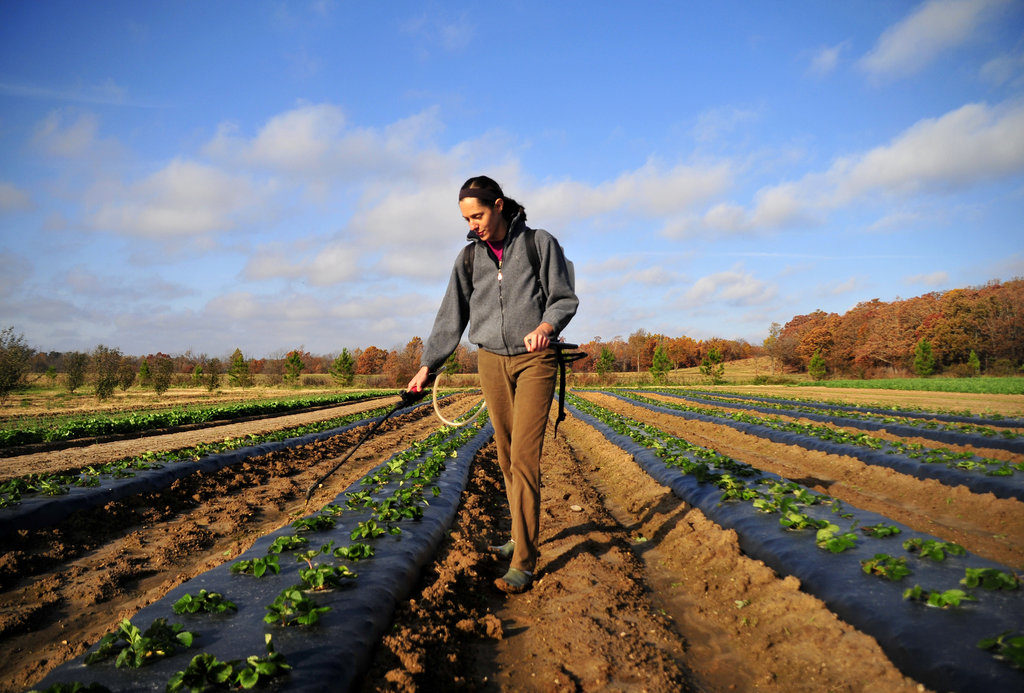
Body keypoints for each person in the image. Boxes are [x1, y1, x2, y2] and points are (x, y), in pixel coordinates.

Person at [407, 175, 578, 593]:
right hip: (490, 361)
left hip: (535, 359)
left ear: (498, 205)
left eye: (478, 215)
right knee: (504, 454)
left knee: (523, 457)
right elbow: (452, 316)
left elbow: (563, 297)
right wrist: (428, 365)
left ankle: (524, 561)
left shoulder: (539, 243)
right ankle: (519, 535)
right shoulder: (468, 259)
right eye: (466, 218)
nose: (473, 225)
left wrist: (545, 325)